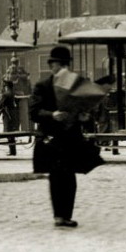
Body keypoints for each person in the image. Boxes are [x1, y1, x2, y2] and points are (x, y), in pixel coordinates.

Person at [30, 45, 91, 229]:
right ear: (52, 66)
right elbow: (33, 112)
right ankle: (59, 216)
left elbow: (84, 111)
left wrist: (84, 117)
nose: (62, 68)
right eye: (59, 64)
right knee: (56, 176)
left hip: (71, 138)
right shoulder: (43, 86)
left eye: (65, 65)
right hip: (52, 138)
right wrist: (52, 115)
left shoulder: (76, 86)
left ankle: (67, 216)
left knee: (70, 178)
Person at [0, 80, 18, 156]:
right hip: (12, 114)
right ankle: (13, 151)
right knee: (11, 133)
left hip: (7, 115)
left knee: (8, 132)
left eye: (5, 86)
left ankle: (12, 151)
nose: (4, 87)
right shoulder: (12, 93)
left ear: (7, 87)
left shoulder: (6, 94)